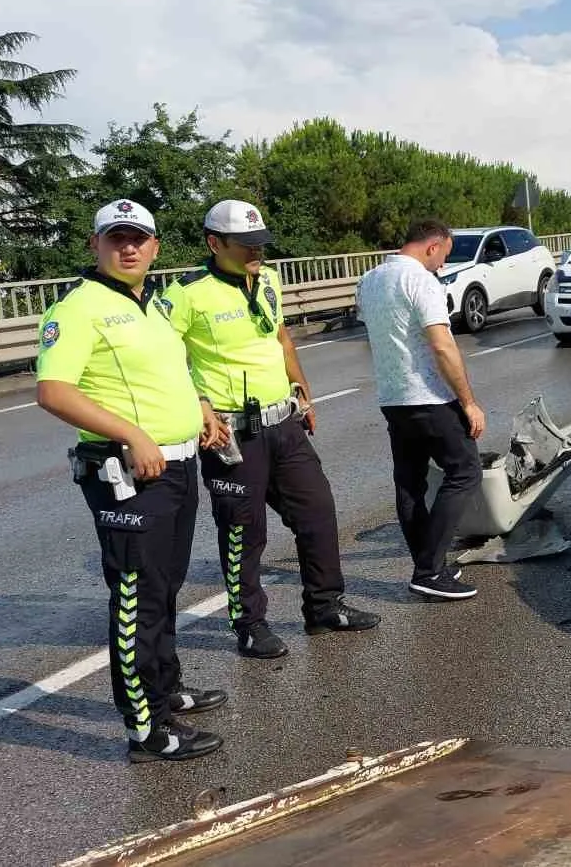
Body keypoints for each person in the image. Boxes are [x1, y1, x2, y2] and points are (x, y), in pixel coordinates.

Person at [35, 200, 228, 762]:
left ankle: (166, 691)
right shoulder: (78, 308)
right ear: (95, 245)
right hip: (128, 474)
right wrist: (132, 433)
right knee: (136, 600)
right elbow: (55, 391)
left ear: (155, 247)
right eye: (116, 238)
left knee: (165, 588)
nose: (128, 248)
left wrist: (201, 407)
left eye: (138, 238)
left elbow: (166, 373)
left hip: (178, 465)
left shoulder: (154, 305)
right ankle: (146, 729)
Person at [161, 200, 380, 659]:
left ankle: (324, 606)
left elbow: (279, 337)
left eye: (260, 243)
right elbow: (162, 359)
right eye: (246, 246)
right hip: (232, 435)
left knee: (318, 512)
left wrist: (302, 388)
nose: (256, 252)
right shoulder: (187, 294)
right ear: (214, 243)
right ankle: (250, 625)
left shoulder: (269, 280)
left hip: (284, 422)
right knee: (245, 532)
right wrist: (199, 405)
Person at [356, 219, 486, 601]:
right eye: (444, 255)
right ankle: (429, 569)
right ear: (432, 245)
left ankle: (428, 565)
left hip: (392, 398)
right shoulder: (421, 281)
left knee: (410, 484)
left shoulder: (371, 279)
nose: (443, 265)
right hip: (427, 395)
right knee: (465, 471)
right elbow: (442, 346)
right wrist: (468, 402)